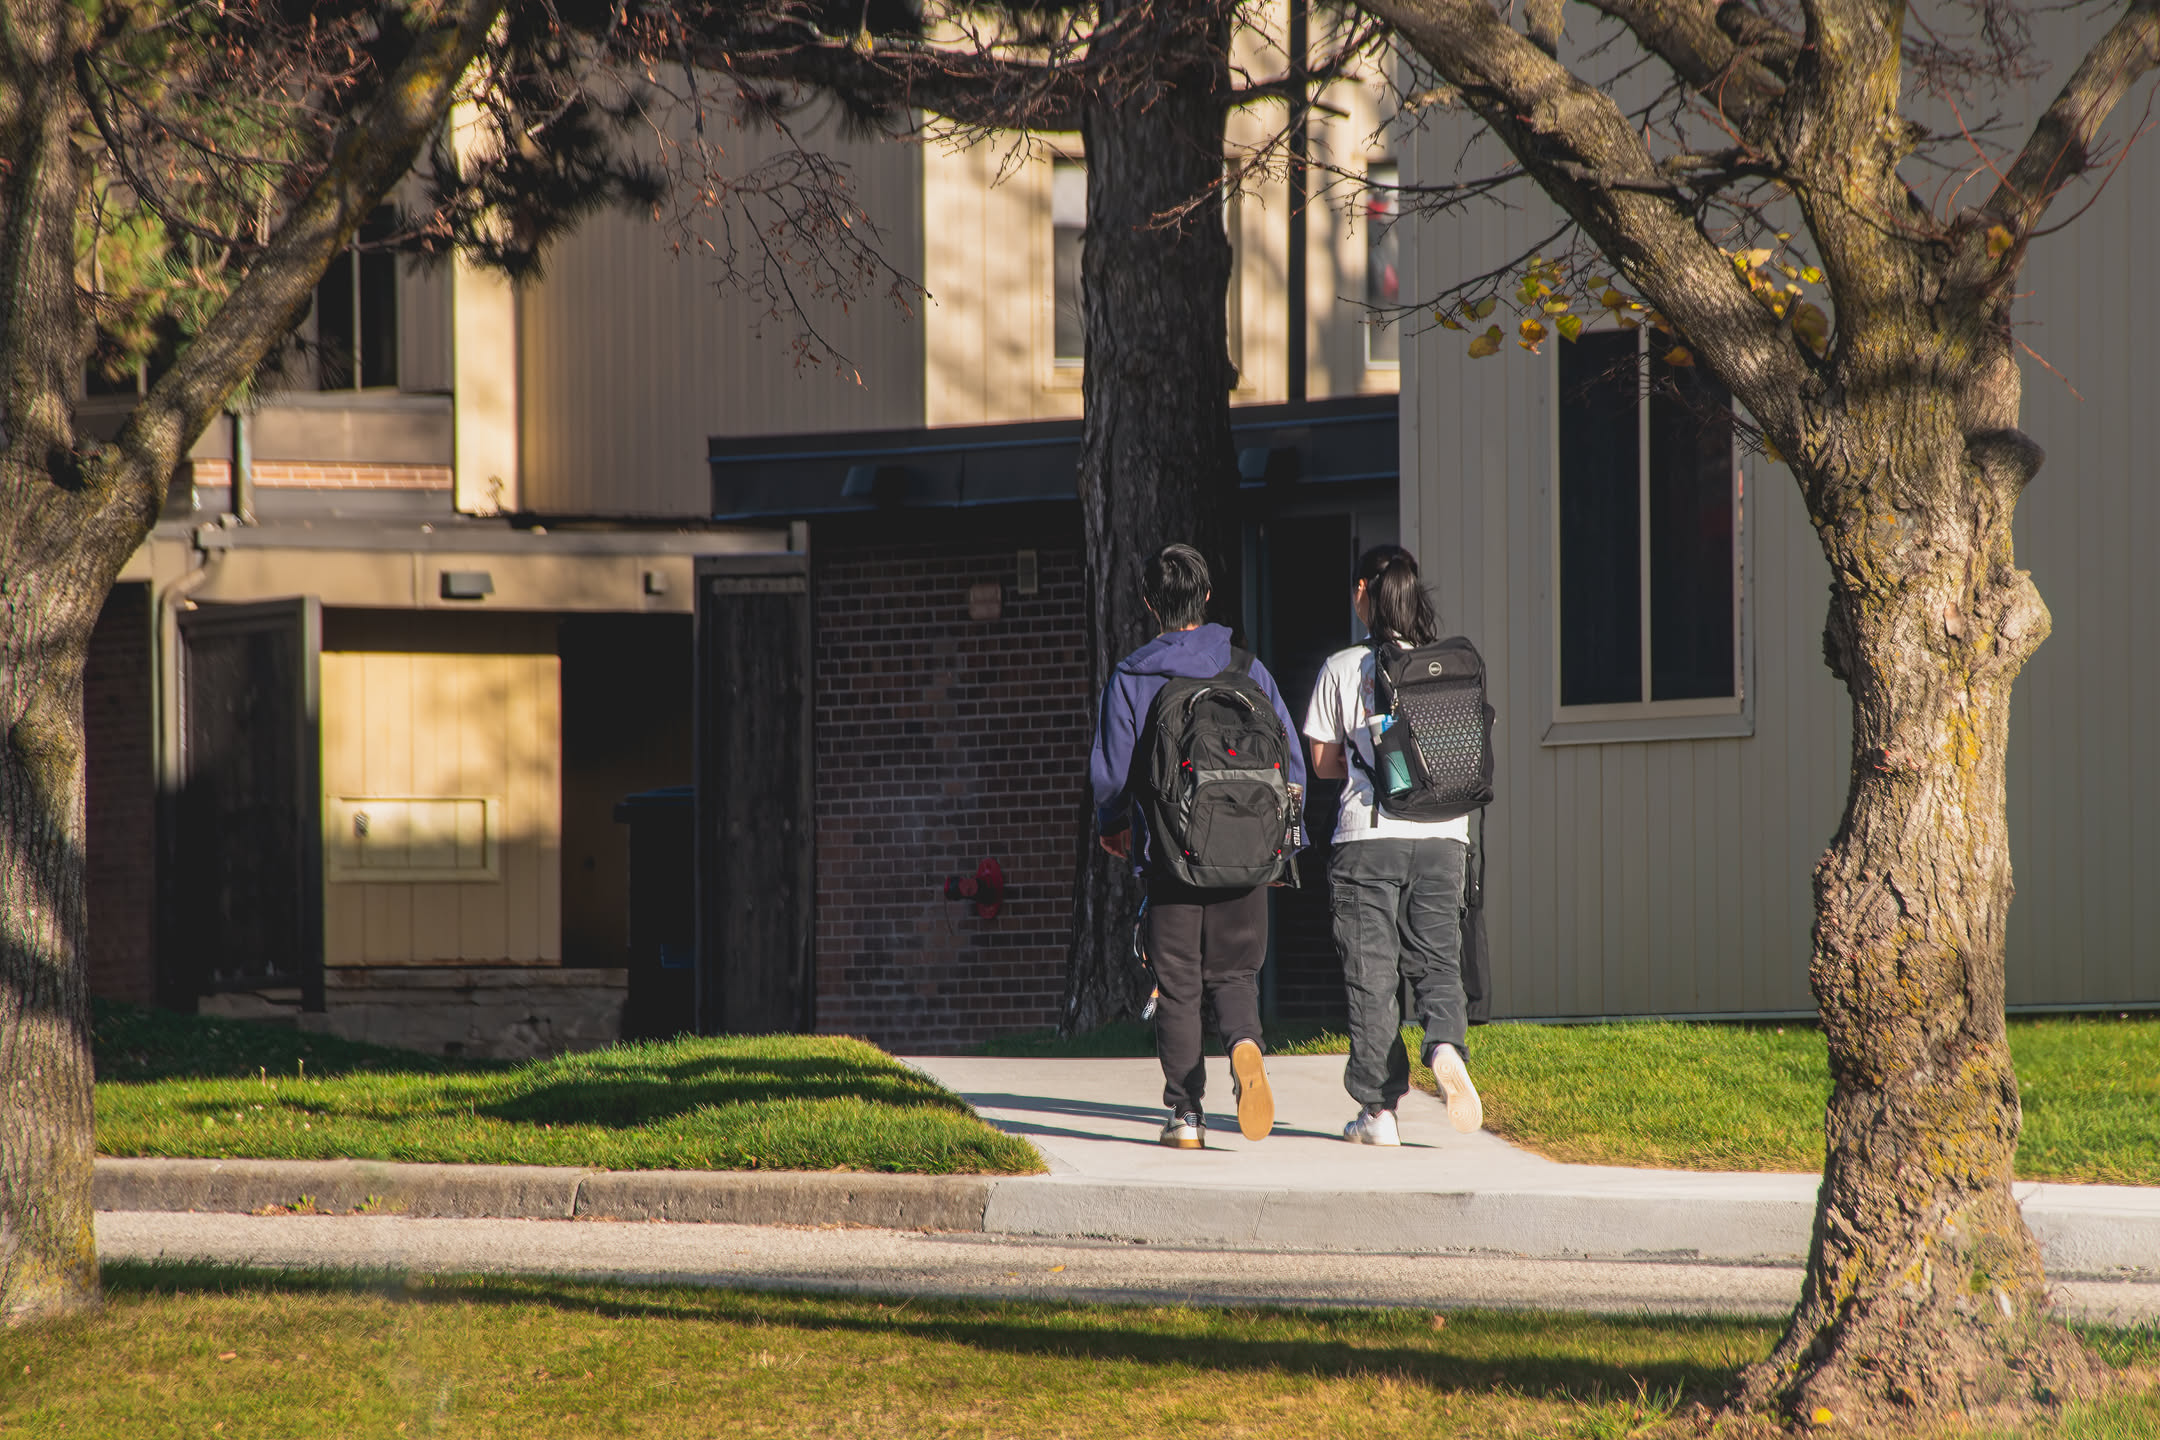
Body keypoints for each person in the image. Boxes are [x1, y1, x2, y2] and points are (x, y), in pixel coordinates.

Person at [1090, 543, 1306, 1149]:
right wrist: (1282, 845)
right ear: (1206, 596)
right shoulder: (1249, 670)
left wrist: (1113, 824)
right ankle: (1245, 1047)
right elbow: (1290, 762)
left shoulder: (1134, 676)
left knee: (1179, 983)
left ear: (1148, 602)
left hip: (1170, 854)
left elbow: (1112, 772)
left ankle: (1186, 1115)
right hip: (1247, 852)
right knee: (1235, 974)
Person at [1302, 544, 1484, 1143]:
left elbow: (1323, 764)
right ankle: (1445, 1048)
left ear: (1363, 592)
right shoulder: (1447, 666)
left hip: (1368, 838)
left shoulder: (1341, 668)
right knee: (1438, 961)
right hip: (1445, 835)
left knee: (1372, 976)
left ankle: (1379, 1113)